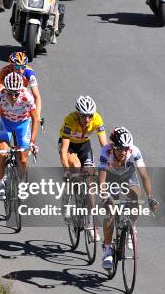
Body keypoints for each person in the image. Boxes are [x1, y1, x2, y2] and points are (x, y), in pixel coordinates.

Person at [99, 127, 155, 270]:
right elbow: (102, 180)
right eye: (119, 149)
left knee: (137, 197)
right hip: (110, 178)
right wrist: (105, 196)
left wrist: (150, 197)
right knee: (110, 212)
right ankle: (107, 249)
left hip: (128, 176)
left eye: (126, 148)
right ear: (113, 146)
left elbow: (144, 176)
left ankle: (132, 227)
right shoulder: (105, 151)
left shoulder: (134, 151)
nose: (123, 152)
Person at [59, 95, 107, 241]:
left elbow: (104, 146)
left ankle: (88, 222)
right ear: (78, 114)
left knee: (90, 183)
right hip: (69, 146)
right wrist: (66, 170)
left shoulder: (97, 119)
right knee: (76, 166)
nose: (87, 120)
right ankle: (68, 198)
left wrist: (109, 163)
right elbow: (64, 149)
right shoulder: (70, 120)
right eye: (84, 116)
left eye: (89, 116)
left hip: (84, 146)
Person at [0, 72, 39, 199]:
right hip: (5, 122)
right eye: (10, 93)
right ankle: (0, 182)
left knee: (23, 159)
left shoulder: (27, 96)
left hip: (23, 124)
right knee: (3, 152)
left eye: (16, 93)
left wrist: (32, 142)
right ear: (5, 90)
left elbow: (35, 120)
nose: (13, 96)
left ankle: (22, 184)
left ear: (20, 90)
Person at [0, 51, 42, 120]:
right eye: (17, 67)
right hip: (9, 93)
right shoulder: (4, 71)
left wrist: (37, 116)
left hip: (22, 93)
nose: (20, 71)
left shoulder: (30, 73)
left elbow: (36, 96)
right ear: (11, 66)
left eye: (23, 67)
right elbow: (1, 89)